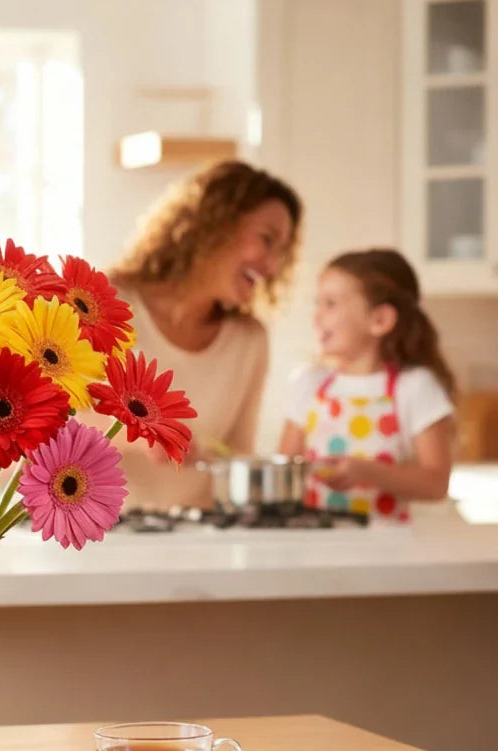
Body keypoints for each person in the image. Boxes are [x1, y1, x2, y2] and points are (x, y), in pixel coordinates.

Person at [107, 159, 302, 509]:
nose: (273, 266)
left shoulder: (249, 341)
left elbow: (237, 457)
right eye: (267, 240)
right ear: (216, 225)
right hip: (82, 537)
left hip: (192, 541)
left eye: (282, 252)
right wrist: (140, 435)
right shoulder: (102, 303)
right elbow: (48, 422)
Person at [278, 248, 456, 522]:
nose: (317, 316)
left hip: (389, 554)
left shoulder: (415, 387)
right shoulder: (309, 383)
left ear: (379, 320)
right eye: (318, 303)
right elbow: (283, 471)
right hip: (317, 550)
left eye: (331, 304)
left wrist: (366, 472)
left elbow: (435, 484)